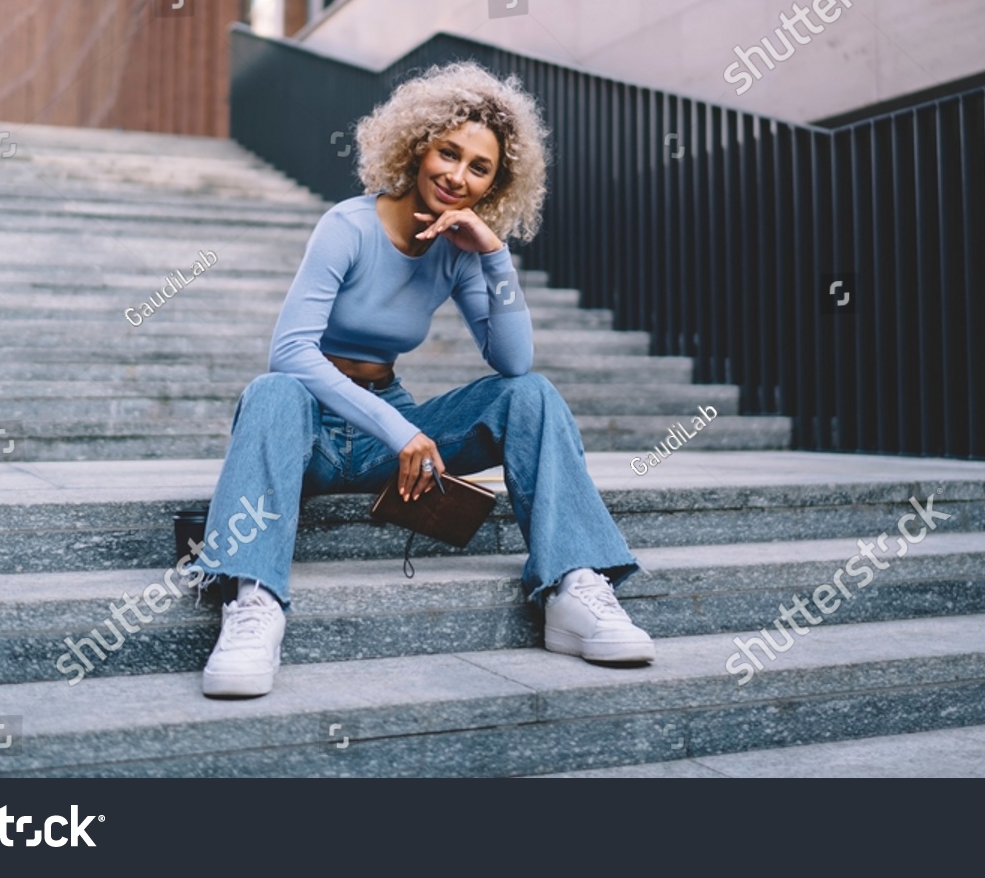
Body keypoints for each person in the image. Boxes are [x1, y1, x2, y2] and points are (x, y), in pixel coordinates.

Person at [197, 61, 653, 698]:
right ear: (418, 146)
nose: (456, 176)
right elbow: (291, 351)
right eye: (448, 153)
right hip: (314, 427)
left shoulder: (460, 249)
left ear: (496, 184)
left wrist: (494, 256)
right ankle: (252, 605)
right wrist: (399, 429)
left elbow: (513, 363)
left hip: (392, 433)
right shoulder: (348, 227)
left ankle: (574, 587)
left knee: (533, 395)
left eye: (479, 168)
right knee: (272, 391)